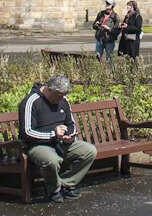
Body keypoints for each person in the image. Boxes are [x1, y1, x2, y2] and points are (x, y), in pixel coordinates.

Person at [18, 74, 96, 203]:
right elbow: (27, 132)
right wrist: (53, 134)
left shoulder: (63, 100)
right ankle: (53, 190)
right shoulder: (31, 101)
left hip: (60, 142)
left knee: (89, 151)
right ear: (49, 89)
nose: (61, 99)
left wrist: (69, 135)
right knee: (52, 160)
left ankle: (66, 184)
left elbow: (71, 124)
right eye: (58, 96)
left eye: (62, 96)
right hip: (37, 145)